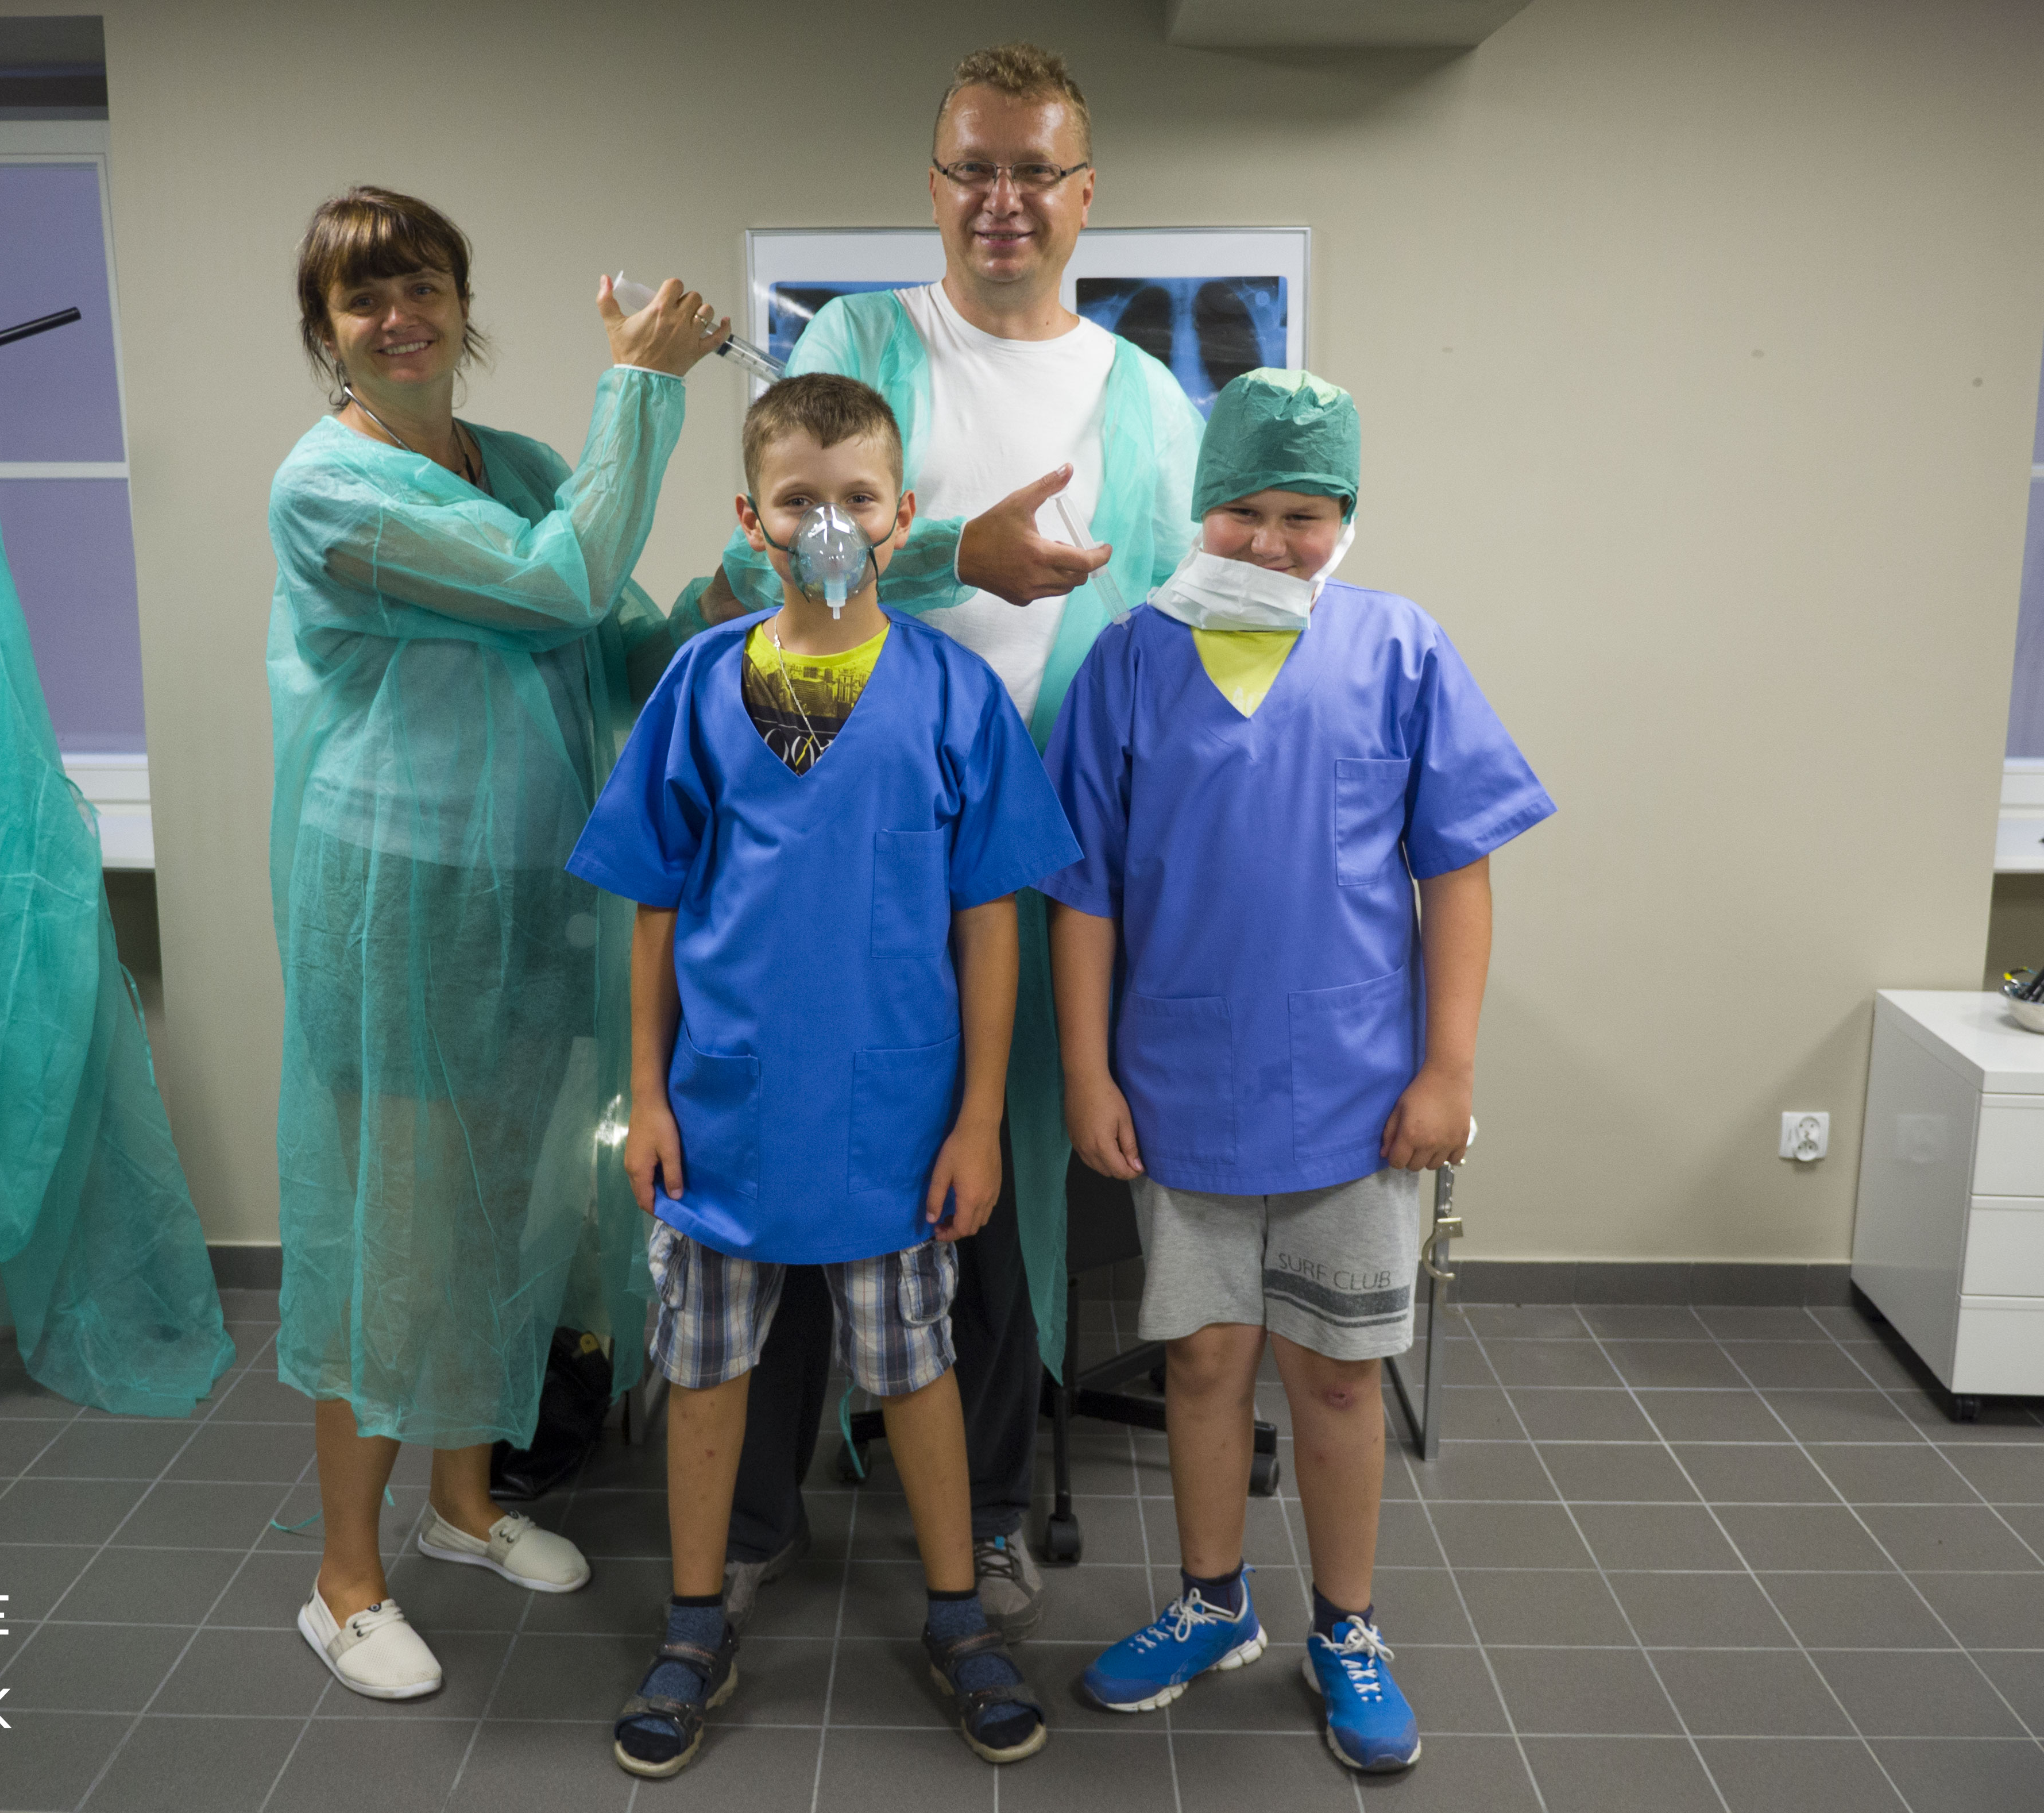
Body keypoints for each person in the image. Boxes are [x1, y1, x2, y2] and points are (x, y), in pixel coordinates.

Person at [705, 38, 1204, 1643]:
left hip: (1031, 859)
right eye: (973, 169)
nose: (1003, 199)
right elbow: (754, 586)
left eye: (1033, 171)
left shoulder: (1147, 401)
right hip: (834, 846)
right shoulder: (859, 344)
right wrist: (953, 564)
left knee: (986, 1181)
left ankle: (982, 1515)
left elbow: (1178, 642)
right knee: (788, 1160)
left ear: (1084, 194)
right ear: (932, 188)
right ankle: (759, 1513)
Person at [1040, 370, 1556, 1773]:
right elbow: (1082, 893)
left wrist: (1448, 1070)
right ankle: (1214, 1605)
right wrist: (1087, 1073)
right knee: (1203, 1360)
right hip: (1181, 1087)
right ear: (1200, 507)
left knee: (1334, 1378)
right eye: (1245, 511)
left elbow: (1458, 870)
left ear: (1347, 517)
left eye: (1305, 515)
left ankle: (1346, 1628)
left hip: (1357, 1097)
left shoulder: (1399, 649)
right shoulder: (1131, 662)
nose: (1271, 541)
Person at [569, 374, 1082, 1777]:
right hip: (725, 1111)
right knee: (706, 1371)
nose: (832, 524)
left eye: (858, 498)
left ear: (903, 515)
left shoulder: (951, 696)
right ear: (753, 523)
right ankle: (694, 1626)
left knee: (916, 1369)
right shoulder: (700, 685)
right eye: (800, 500)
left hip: (895, 1117)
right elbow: (653, 908)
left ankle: (960, 1615)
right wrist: (650, 1096)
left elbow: (991, 923)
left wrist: (979, 1119)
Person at [267, 186, 735, 1699]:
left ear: (465, 304)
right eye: (364, 298)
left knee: (504, 1213)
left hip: (529, 890)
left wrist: (741, 587)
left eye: (423, 286)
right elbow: (554, 581)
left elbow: (615, 641)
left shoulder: (520, 465)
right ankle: (344, 1580)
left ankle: (464, 1507)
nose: (399, 317)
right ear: (327, 331)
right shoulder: (329, 488)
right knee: (398, 1239)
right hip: (400, 898)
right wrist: (644, 386)